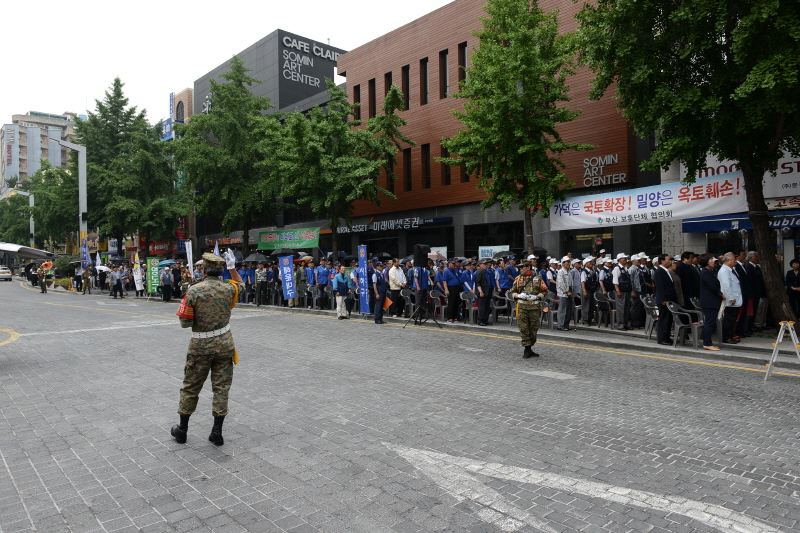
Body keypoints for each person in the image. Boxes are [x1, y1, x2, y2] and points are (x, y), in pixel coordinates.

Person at [171, 250, 243, 446]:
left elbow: (185, 322)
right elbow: (242, 284)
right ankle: (217, 432)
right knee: (221, 388)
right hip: (224, 344)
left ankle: (182, 430)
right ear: (220, 271)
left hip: (201, 345)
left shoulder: (194, 290)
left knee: (191, 387)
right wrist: (233, 268)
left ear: (203, 270)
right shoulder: (229, 289)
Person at [511, 259, 545, 358]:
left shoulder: (538, 279)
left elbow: (544, 291)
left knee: (534, 328)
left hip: (534, 307)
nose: (520, 269)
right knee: (523, 328)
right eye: (520, 267)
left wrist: (537, 296)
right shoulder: (517, 279)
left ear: (528, 267)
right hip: (522, 307)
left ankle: (530, 346)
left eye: (522, 267)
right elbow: (511, 291)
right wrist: (518, 296)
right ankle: (527, 349)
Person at [698, 254, 723, 351]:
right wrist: (721, 294)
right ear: (707, 261)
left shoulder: (709, 272)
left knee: (711, 322)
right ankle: (707, 343)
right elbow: (712, 286)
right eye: (712, 259)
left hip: (712, 301)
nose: (714, 261)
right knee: (709, 322)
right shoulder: (705, 272)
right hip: (709, 302)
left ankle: (707, 341)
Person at [653, 254, 678, 345]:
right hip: (664, 300)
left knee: (668, 320)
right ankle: (662, 338)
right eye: (668, 259)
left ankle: (666, 337)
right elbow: (660, 286)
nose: (670, 261)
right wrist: (663, 299)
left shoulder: (666, 271)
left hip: (669, 300)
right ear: (662, 261)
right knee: (664, 319)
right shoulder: (659, 271)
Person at [718, 252, 743, 344]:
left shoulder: (730, 270)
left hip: (735, 298)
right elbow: (726, 286)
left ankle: (729, 335)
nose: (735, 262)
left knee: (732, 319)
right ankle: (726, 337)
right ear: (728, 261)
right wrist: (731, 297)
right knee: (729, 319)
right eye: (734, 260)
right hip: (730, 300)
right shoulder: (724, 271)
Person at [746, 252, 765, 333]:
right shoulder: (748, 267)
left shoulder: (757, 267)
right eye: (756, 257)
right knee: (751, 311)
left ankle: (752, 326)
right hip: (752, 293)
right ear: (751, 258)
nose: (758, 258)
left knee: (756, 310)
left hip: (757, 293)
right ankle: (749, 327)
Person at [612, 253, 632, 330]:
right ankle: (620, 324)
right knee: (620, 308)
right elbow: (615, 281)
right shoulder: (617, 269)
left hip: (626, 290)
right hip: (621, 290)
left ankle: (625, 323)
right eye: (624, 258)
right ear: (619, 259)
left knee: (626, 307)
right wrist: (618, 291)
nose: (626, 260)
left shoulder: (625, 268)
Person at [556, 257, 574, 331]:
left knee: (568, 310)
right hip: (563, 293)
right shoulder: (560, 272)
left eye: (569, 262)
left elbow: (571, 283)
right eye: (567, 262)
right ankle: (561, 325)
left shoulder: (569, 271)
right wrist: (567, 291)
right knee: (562, 309)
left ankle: (566, 324)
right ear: (563, 263)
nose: (569, 263)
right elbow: (561, 283)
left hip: (569, 291)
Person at [474, 259, 493, 326]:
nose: (485, 266)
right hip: (483, 291)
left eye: (486, 264)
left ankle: (485, 320)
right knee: (482, 307)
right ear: (480, 265)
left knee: (487, 307)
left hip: (488, 291)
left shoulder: (487, 272)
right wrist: (480, 291)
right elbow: (478, 282)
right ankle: (481, 320)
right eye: (484, 264)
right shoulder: (480, 272)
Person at [579, 257, 597, 325]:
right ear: (585, 264)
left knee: (591, 305)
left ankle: (590, 319)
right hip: (586, 290)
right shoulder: (584, 271)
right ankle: (585, 319)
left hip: (591, 290)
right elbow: (583, 282)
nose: (591, 264)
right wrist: (584, 291)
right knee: (586, 305)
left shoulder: (592, 271)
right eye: (589, 263)